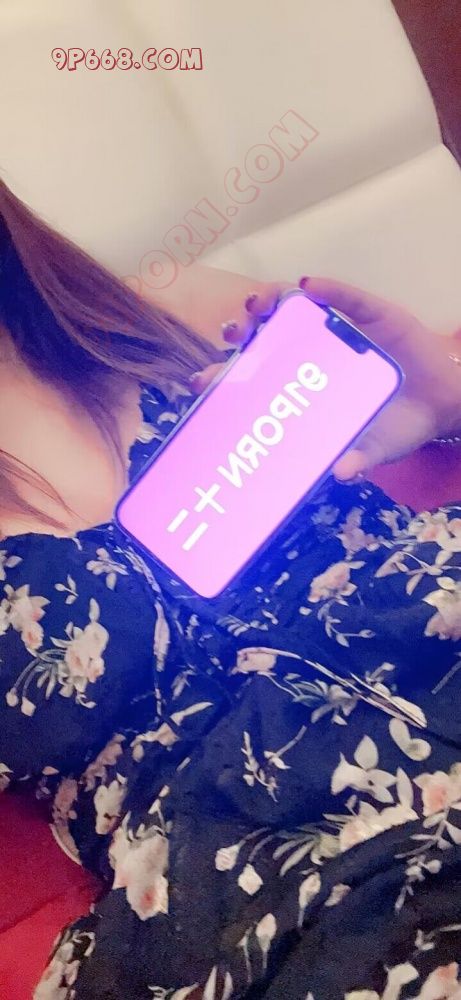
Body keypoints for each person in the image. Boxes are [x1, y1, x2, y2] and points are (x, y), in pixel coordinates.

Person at [2, 178, 461, 1000]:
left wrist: (443, 400)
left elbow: (412, 395)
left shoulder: (166, 308)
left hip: (428, 612)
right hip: (261, 857)